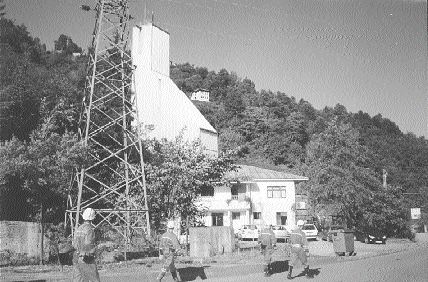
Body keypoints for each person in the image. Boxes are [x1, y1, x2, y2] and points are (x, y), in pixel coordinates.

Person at [72, 207, 100, 282]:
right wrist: (94, 252)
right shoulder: (90, 229)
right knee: (94, 279)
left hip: (77, 258)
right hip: (86, 258)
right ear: (93, 218)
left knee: (78, 280)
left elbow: (74, 244)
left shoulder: (79, 228)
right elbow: (88, 244)